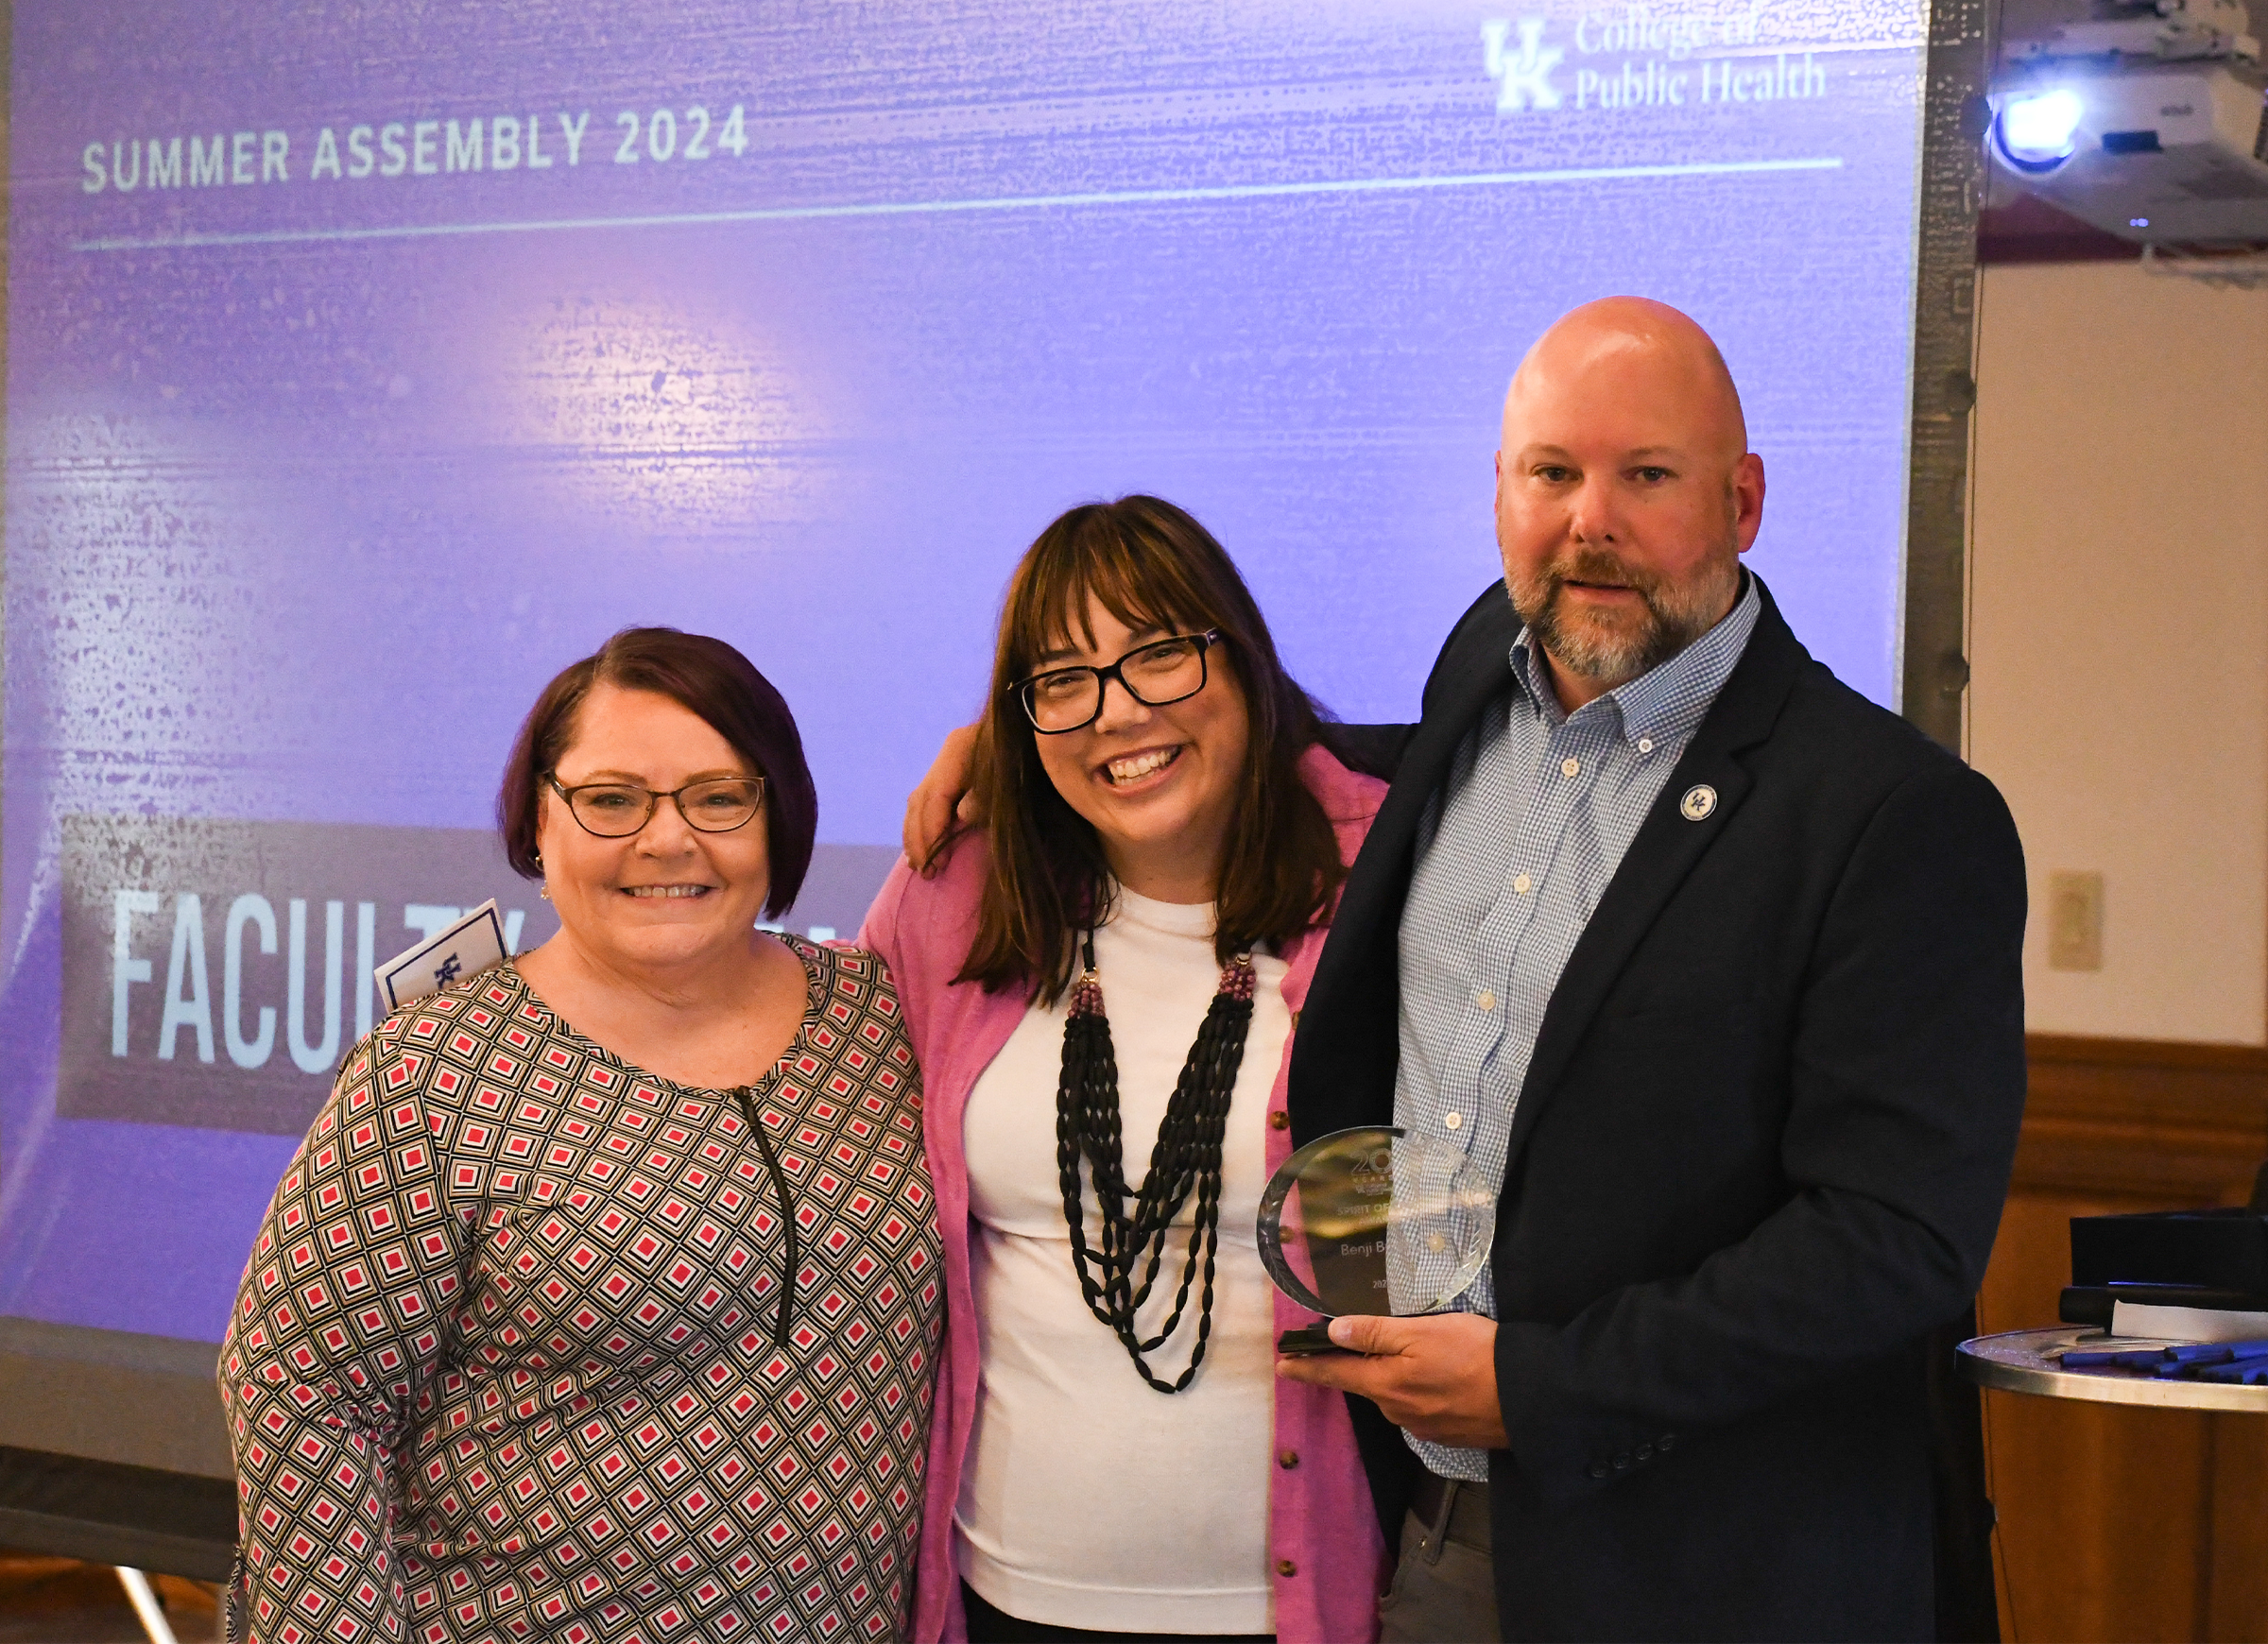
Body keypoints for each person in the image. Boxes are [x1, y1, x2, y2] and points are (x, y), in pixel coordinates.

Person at [906, 300, 2027, 1642]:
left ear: (1745, 499)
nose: (1589, 522)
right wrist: (1030, 743)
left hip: (1718, 1572)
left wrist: (1550, 1386)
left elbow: (1896, 1242)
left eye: (1647, 476)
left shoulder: (1890, 816)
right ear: (1498, 496)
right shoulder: (1470, 694)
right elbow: (1265, 743)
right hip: (1427, 1551)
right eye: (1552, 474)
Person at [218, 627, 943, 1644]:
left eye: (719, 795)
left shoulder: (879, 1016)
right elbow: (302, 1394)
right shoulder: (434, 1068)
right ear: (538, 823)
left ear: (781, 814)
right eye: (611, 801)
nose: (667, 839)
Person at [859, 497, 1394, 1644]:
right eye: (1064, 681)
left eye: (1159, 655)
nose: (1119, 714)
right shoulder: (953, 897)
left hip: (1297, 1603)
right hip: (1008, 1594)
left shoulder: (1386, 884)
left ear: (1239, 660)